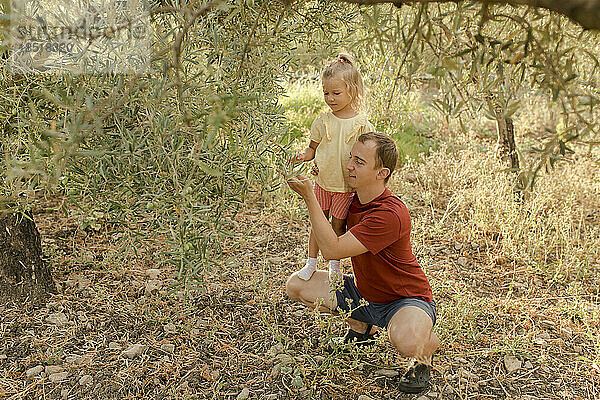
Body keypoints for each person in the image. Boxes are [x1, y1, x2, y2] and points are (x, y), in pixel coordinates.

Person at [285, 132, 439, 394]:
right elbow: (328, 231)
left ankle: (424, 356)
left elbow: (331, 249)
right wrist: (322, 181)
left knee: (407, 340)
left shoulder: (389, 214)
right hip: (363, 293)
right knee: (297, 285)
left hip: (403, 300)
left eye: (359, 161)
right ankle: (361, 329)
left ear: (382, 173)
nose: (349, 166)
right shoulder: (350, 199)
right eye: (350, 158)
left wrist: (310, 197)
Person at [295, 52, 375, 284]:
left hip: (345, 186)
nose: (330, 98)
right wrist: (303, 157)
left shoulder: (362, 124)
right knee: (318, 225)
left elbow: (367, 156)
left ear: (352, 91)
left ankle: (334, 265)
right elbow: (312, 149)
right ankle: (311, 262)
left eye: (336, 93)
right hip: (322, 183)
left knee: (337, 225)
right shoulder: (322, 121)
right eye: (326, 93)